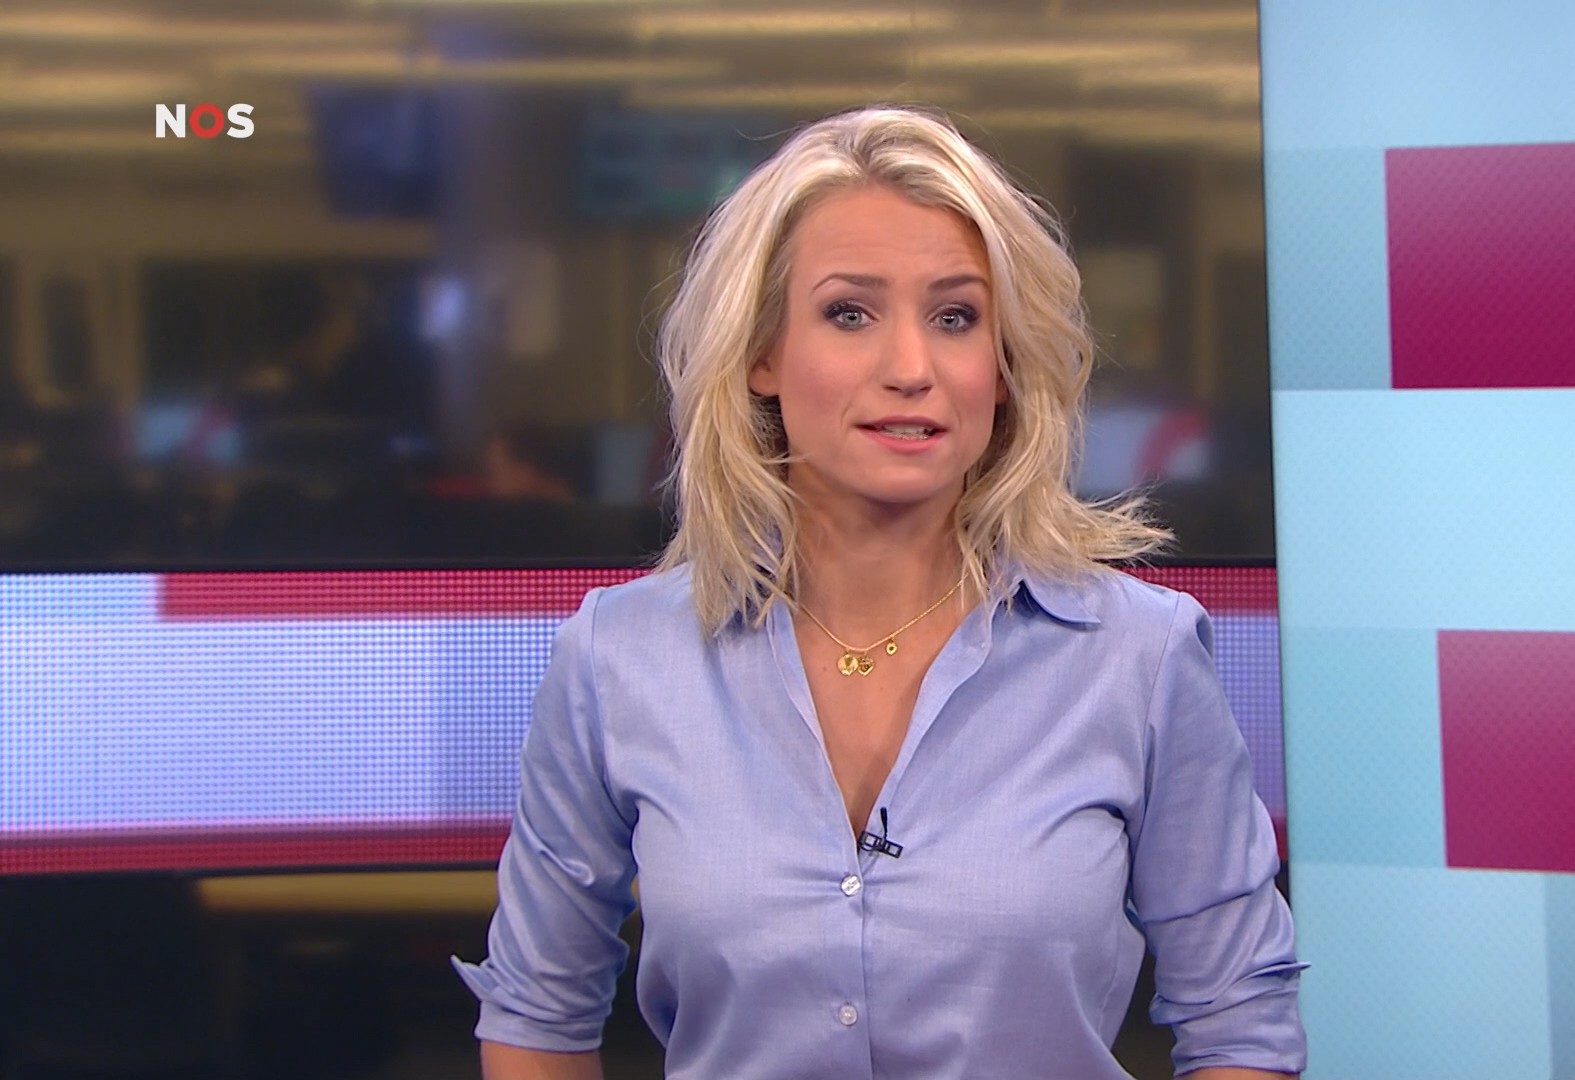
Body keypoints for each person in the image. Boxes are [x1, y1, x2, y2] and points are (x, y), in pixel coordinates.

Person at [452, 105, 1306, 1080]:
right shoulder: (620, 659)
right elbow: (537, 1012)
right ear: (761, 353)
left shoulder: (1138, 657)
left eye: (956, 318)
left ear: (1003, 364)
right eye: (849, 314)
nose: (911, 369)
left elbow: (1241, 1019)